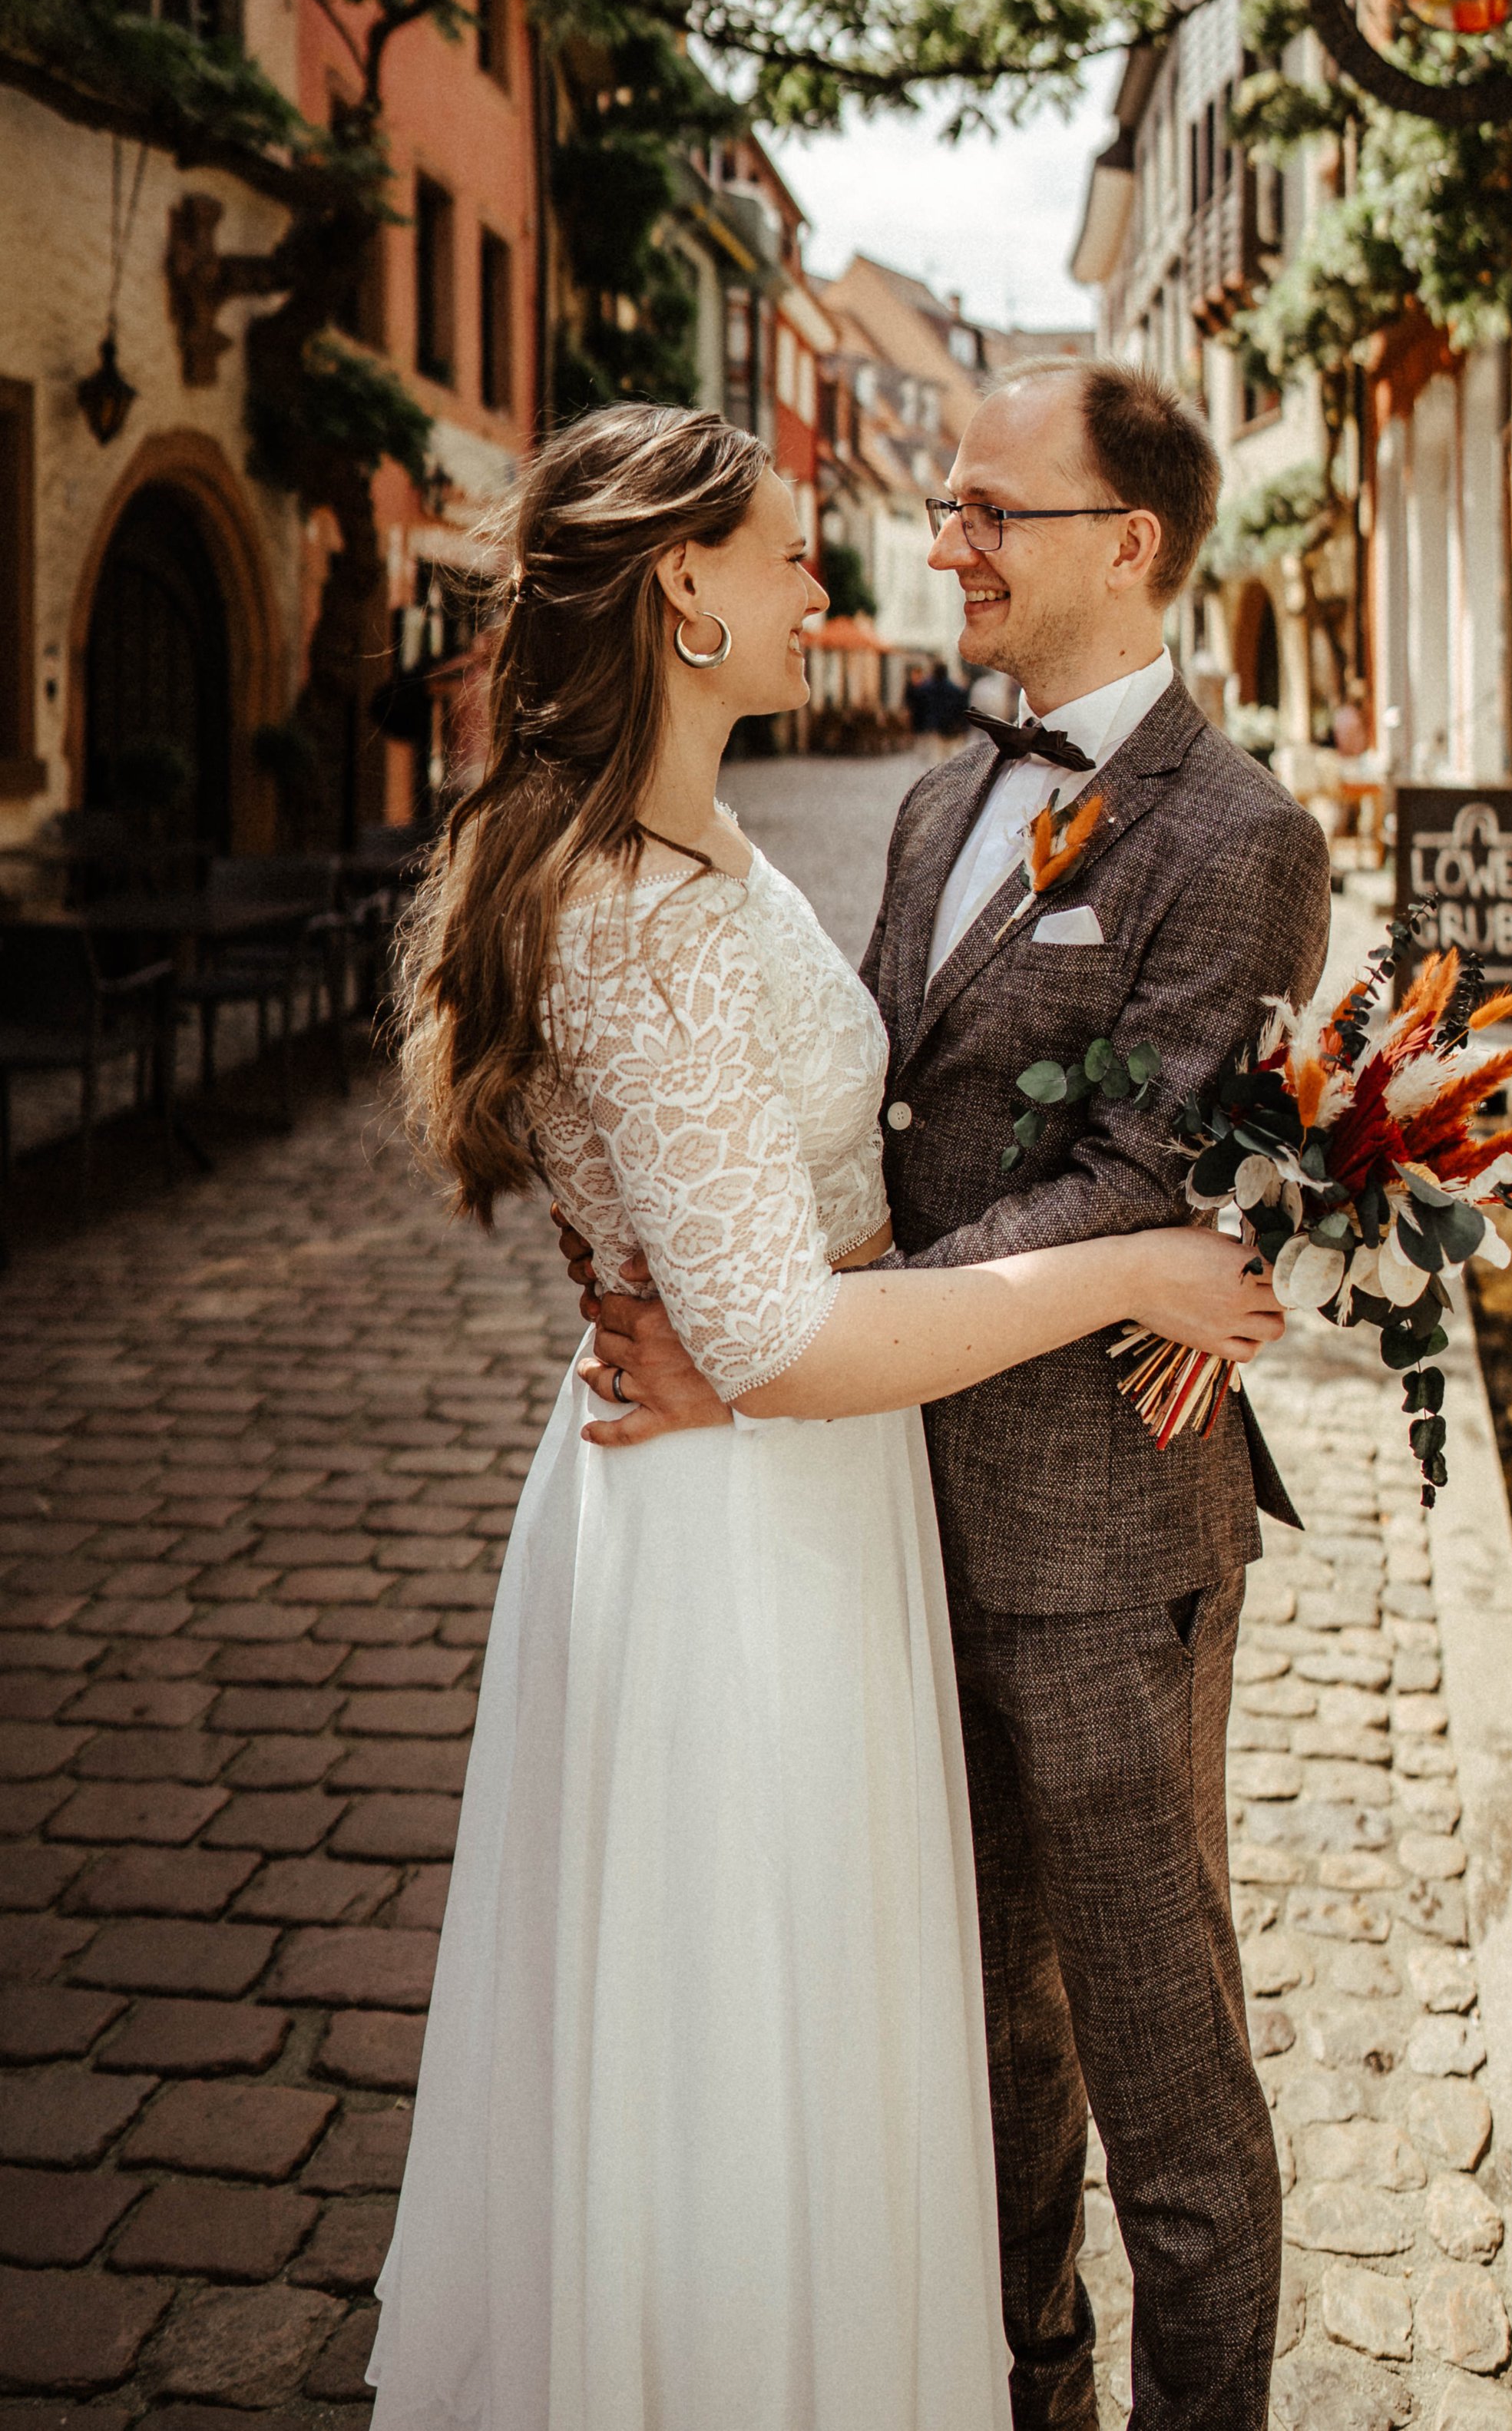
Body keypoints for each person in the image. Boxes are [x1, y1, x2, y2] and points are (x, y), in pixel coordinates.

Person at [369, 399, 1291, 2431]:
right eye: (825, 536)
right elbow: (808, 1169)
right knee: (887, 2032)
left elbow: (1139, 1160)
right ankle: (998, 2379)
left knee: (1152, 2041)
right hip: (801, 1500)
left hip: (1059, 1518)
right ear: (679, 587)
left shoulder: (1235, 835)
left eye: (983, 510)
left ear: (1125, 543)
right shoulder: (889, 812)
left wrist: (796, 1314)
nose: (904, 551)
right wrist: (768, 1319)